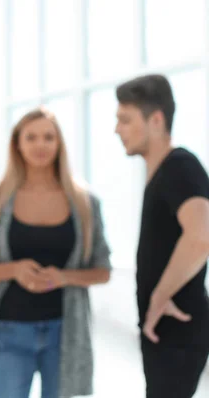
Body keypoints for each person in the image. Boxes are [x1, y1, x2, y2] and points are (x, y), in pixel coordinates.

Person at [0, 108, 112, 398]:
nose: (40, 145)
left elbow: (103, 270)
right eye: (31, 137)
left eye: (48, 137)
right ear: (17, 144)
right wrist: (14, 270)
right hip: (9, 331)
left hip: (65, 333)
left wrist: (64, 277)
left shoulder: (85, 203)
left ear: (59, 144)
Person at [115, 74, 209, 398]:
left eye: (125, 120)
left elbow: (202, 235)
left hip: (178, 329)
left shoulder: (179, 166)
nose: (117, 130)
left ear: (156, 120)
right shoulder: (163, 172)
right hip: (167, 332)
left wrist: (158, 298)